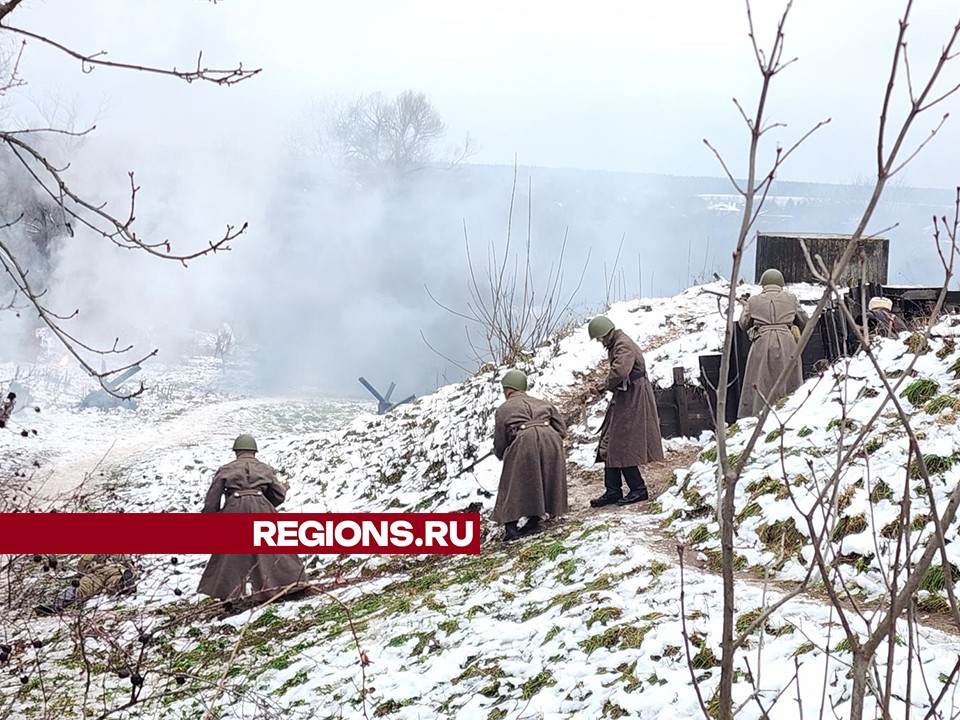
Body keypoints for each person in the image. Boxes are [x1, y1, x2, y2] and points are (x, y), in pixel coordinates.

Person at [197, 434, 311, 604]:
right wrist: (264, 505)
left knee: (232, 555)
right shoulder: (265, 469)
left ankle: (233, 595)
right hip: (262, 508)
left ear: (236, 451)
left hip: (233, 510)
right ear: (254, 451)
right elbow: (279, 495)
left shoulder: (225, 469)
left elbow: (212, 500)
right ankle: (291, 585)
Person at [586, 316, 664, 507]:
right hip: (627, 395)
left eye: (600, 337)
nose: (600, 341)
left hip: (634, 397)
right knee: (612, 441)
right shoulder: (618, 343)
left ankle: (638, 489)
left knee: (623, 444)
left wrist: (603, 386)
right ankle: (613, 490)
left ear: (606, 333)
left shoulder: (623, 344)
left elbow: (621, 372)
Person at [492, 369, 569, 542]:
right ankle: (536, 517)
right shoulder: (543, 403)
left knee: (512, 481)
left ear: (507, 389)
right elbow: (561, 429)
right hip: (551, 437)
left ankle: (510, 526)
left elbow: (501, 440)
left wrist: (502, 453)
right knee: (544, 475)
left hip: (525, 439)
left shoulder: (504, 409)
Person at [737, 268, 809, 419]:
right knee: (789, 377)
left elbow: (743, 324)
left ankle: (756, 414)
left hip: (761, 343)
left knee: (759, 378)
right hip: (787, 341)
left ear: (763, 283)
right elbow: (804, 319)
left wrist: (747, 308)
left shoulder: (753, 300)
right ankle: (790, 411)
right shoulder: (791, 298)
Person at [35, 554, 137, 616]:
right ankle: (57, 604)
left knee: (112, 581)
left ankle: (124, 584)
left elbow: (82, 565)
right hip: (101, 572)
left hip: (108, 571)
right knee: (83, 588)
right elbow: (82, 565)